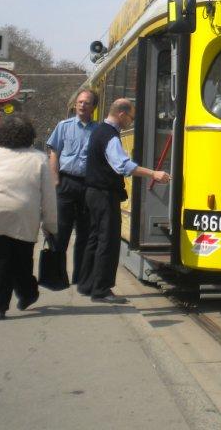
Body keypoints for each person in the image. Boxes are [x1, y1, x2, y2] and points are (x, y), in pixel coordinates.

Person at [77, 99, 170, 303]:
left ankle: (86, 284)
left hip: (93, 192)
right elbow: (122, 165)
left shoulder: (99, 131)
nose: (131, 121)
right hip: (103, 194)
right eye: (131, 117)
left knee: (94, 238)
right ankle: (101, 289)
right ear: (121, 114)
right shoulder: (109, 135)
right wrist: (153, 173)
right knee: (107, 240)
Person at [0, 115, 57, 320]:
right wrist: (50, 224)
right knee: (22, 260)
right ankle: (27, 293)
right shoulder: (39, 158)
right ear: (29, 135)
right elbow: (48, 195)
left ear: (2, 135)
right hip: (24, 214)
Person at [46, 89, 99, 284]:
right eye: (80, 102)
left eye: (86, 102)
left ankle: (81, 278)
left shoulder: (98, 130)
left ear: (94, 107)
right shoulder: (64, 126)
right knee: (61, 232)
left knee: (85, 234)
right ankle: (57, 276)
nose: (82, 105)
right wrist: (56, 181)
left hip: (88, 185)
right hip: (66, 183)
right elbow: (54, 154)